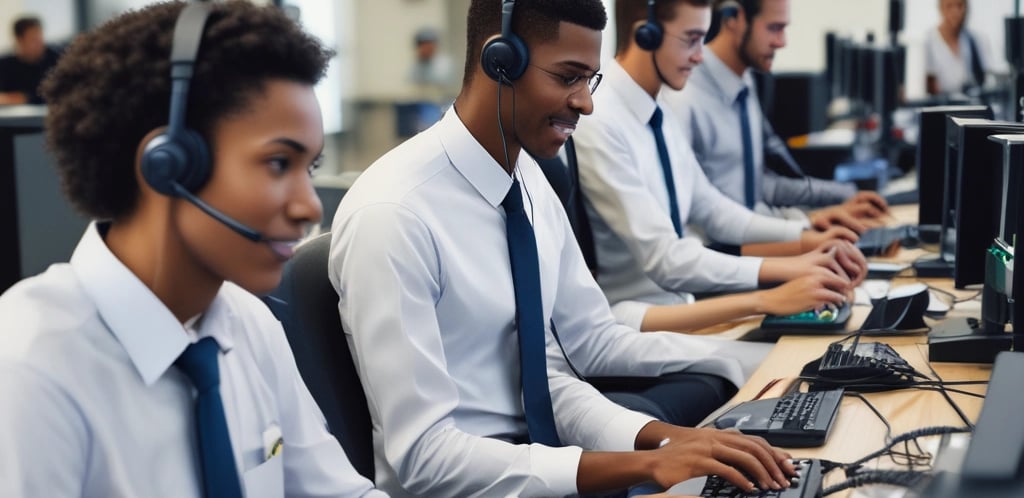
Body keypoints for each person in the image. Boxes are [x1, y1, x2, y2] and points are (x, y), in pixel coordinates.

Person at [330, 0, 797, 496]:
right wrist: (639, 467)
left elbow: (557, 372)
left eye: (590, 80)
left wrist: (667, 443)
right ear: (499, 61)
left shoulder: (525, 180)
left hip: (545, 468)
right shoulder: (395, 217)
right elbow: (425, 459)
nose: (586, 103)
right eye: (568, 77)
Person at [0, 2, 384, 497]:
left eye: (308, 169)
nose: (309, 206)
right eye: (277, 163)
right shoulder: (29, 367)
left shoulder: (249, 324)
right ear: (167, 166)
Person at [571, 0, 866, 334]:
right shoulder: (601, 122)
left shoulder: (659, 110)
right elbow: (667, 259)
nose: (700, 55)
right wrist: (787, 267)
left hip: (691, 309)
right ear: (646, 35)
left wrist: (805, 241)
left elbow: (712, 209)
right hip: (642, 326)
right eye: (691, 39)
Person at [662, 0, 889, 232]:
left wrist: (833, 204)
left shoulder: (744, 81)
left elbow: (755, 189)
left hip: (755, 240)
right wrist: (804, 228)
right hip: (725, 253)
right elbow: (703, 219)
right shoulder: (684, 97)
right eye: (774, 28)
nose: (782, 42)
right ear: (734, 19)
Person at [925, 0, 989, 96]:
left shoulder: (975, 41)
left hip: (970, 104)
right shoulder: (928, 41)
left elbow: (986, 79)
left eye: (960, 6)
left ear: (967, 8)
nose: (955, 12)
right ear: (941, 8)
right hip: (941, 105)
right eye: (949, 6)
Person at [0, 15, 61, 105]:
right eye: (33, 40)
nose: (39, 44)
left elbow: (61, 93)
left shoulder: (56, 60)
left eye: (40, 38)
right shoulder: (5, 65)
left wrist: (25, 98)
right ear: (19, 40)